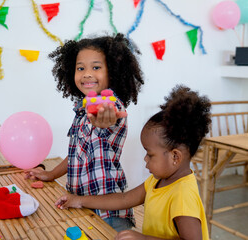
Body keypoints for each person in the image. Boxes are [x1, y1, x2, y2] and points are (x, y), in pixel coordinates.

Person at [55, 85, 211, 240]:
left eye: (150, 155)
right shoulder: (157, 181)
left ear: (175, 157)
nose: (145, 159)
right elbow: (124, 199)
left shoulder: (183, 196)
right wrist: (79, 200)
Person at [24, 33, 144, 231]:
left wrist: (105, 119)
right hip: (81, 204)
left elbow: (110, 114)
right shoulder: (81, 109)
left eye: (96, 67)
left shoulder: (110, 104)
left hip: (109, 214)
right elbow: (76, 153)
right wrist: (52, 173)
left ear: (112, 72)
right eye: (81, 68)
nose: (87, 74)